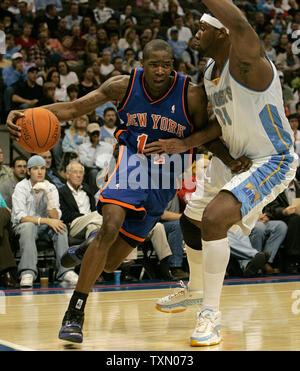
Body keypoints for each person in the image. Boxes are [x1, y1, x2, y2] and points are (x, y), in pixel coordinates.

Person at [6, 39, 251, 344]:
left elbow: (209, 134)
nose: (160, 71)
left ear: (173, 66)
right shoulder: (122, 86)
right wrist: (27, 113)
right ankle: (75, 313)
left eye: (166, 64)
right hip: (132, 165)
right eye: (154, 64)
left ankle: (86, 250)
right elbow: (73, 107)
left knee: (109, 262)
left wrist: (226, 158)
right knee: (109, 226)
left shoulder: (192, 95)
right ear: (141, 63)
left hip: (166, 178)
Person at [148, 1, 298, 347]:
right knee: (190, 221)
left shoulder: (248, 63)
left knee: (215, 220)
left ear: (224, 32)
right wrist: (183, 142)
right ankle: (196, 291)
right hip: (233, 158)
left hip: (269, 158)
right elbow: (219, 124)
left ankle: (210, 315)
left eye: (204, 27)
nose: (196, 32)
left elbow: (242, 25)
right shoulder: (210, 71)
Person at [11, 155, 78, 287]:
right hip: (23, 227)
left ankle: (65, 271)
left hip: (44, 228)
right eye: (35, 169)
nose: (40, 172)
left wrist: (47, 194)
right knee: (28, 226)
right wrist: (46, 221)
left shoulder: (51, 187)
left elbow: (55, 217)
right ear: (29, 171)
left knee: (60, 226)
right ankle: (27, 272)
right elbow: (21, 217)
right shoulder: (21, 187)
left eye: (42, 168)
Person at [59, 161, 102, 241]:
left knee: (92, 227)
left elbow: (93, 208)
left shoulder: (87, 189)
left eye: (81, 172)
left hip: (92, 221)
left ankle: (90, 250)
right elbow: (65, 215)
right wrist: (86, 216)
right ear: (67, 175)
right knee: (100, 215)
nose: (78, 175)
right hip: (74, 224)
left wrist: (90, 217)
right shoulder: (61, 192)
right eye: (75, 172)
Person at [265, 178, 300, 273]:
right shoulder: (275, 187)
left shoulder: (299, 186)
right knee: (295, 220)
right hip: (281, 218)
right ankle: (291, 260)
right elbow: (270, 208)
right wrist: (284, 211)